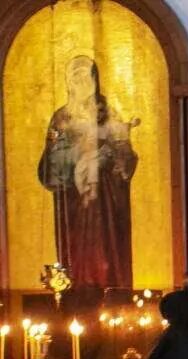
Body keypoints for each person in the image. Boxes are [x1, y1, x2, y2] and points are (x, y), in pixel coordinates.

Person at [39, 56, 138, 289]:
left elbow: (125, 152)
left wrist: (114, 154)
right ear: (68, 83)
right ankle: (75, 291)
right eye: (76, 78)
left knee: (108, 251)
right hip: (73, 202)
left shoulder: (109, 113)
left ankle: (114, 293)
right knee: (77, 258)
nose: (82, 82)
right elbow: (50, 161)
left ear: (95, 80)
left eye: (87, 77)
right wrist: (79, 150)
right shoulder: (61, 118)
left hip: (107, 201)